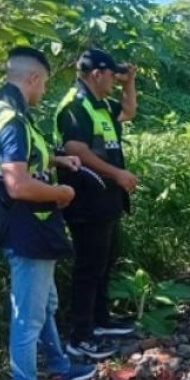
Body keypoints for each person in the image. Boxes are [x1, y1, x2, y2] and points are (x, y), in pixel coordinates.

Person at [0, 46, 94, 380]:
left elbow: (16, 160)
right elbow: (18, 184)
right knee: (27, 319)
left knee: (46, 305)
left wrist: (57, 159)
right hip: (27, 230)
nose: (43, 90)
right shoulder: (12, 119)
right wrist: (62, 192)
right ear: (32, 78)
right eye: (43, 83)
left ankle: (60, 368)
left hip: (26, 228)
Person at [54, 48, 139, 359]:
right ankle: (80, 334)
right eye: (113, 77)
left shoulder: (100, 104)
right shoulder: (75, 107)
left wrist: (130, 83)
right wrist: (118, 174)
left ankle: (101, 320)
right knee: (88, 267)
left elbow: (128, 112)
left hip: (106, 198)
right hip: (85, 199)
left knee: (104, 262)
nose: (115, 82)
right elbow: (77, 149)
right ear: (96, 74)